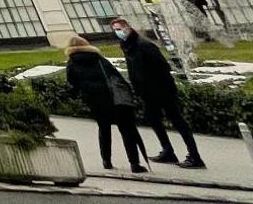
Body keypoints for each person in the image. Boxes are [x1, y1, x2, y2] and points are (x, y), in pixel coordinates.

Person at [113, 17, 204, 168]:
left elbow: (162, 68)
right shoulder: (128, 46)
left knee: (177, 121)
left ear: (128, 28)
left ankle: (194, 156)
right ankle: (168, 151)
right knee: (153, 119)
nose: (118, 32)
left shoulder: (144, 46)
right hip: (147, 92)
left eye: (120, 29)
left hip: (162, 90)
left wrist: (158, 87)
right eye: (115, 30)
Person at [64, 33, 147, 172]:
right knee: (126, 129)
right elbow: (115, 76)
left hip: (95, 100)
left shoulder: (72, 63)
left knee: (104, 129)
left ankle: (106, 161)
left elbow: (72, 85)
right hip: (115, 99)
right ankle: (134, 163)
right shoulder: (99, 59)